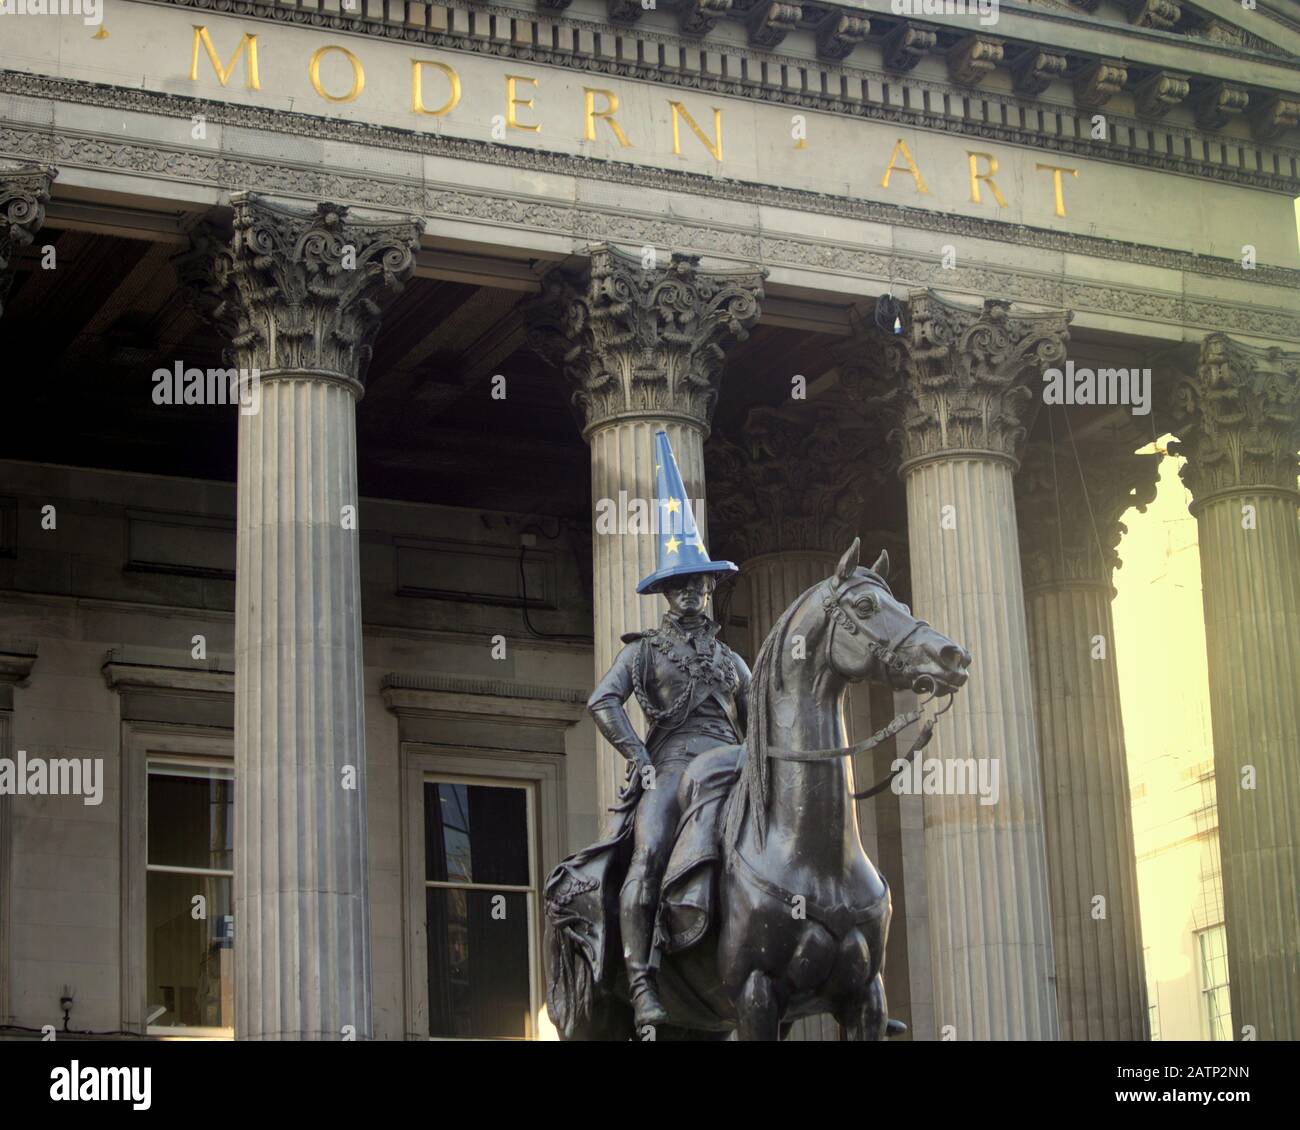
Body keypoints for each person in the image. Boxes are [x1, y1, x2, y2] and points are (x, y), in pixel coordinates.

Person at [586, 431, 751, 1028]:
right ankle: (642, 979)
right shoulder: (644, 653)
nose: (692, 594)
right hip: (673, 766)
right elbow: (602, 702)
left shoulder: (733, 661)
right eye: (680, 585)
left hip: (734, 767)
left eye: (700, 584)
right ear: (663, 593)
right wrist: (640, 757)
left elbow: (757, 725)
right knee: (648, 857)